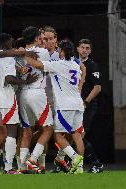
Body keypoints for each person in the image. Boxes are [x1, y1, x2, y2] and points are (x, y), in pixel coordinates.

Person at [24, 39, 85, 174]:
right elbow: (83, 70)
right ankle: (79, 168)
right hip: (78, 104)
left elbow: (37, 65)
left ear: (62, 51)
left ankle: (75, 159)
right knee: (76, 134)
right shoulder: (75, 65)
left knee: (57, 134)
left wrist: (24, 54)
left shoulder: (59, 64)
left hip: (65, 105)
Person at [0, 33, 38, 174]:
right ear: (7, 42)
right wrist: (25, 81)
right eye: (11, 41)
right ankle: (9, 167)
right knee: (11, 133)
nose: (12, 42)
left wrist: (19, 71)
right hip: (6, 98)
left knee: (0, 132)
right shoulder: (8, 58)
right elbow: (9, 78)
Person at [19, 26, 54, 173]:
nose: (42, 39)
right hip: (37, 93)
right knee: (48, 129)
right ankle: (32, 159)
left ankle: (21, 167)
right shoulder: (43, 52)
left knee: (27, 132)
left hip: (23, 95)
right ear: (35, 38)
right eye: (40, 36)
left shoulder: (18, 53)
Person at [77, 38, 103, 173]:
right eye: (82, 47)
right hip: (74, 105)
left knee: (79, 135)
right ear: (77, 49)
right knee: (72, 135)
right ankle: (67, 163)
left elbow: (97, 87)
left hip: (87, 106)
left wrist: (86, 102)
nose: (84, 50)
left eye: (87, 48)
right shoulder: (72, 63)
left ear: (90, 51)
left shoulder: (92, 65)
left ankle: (96, 163)